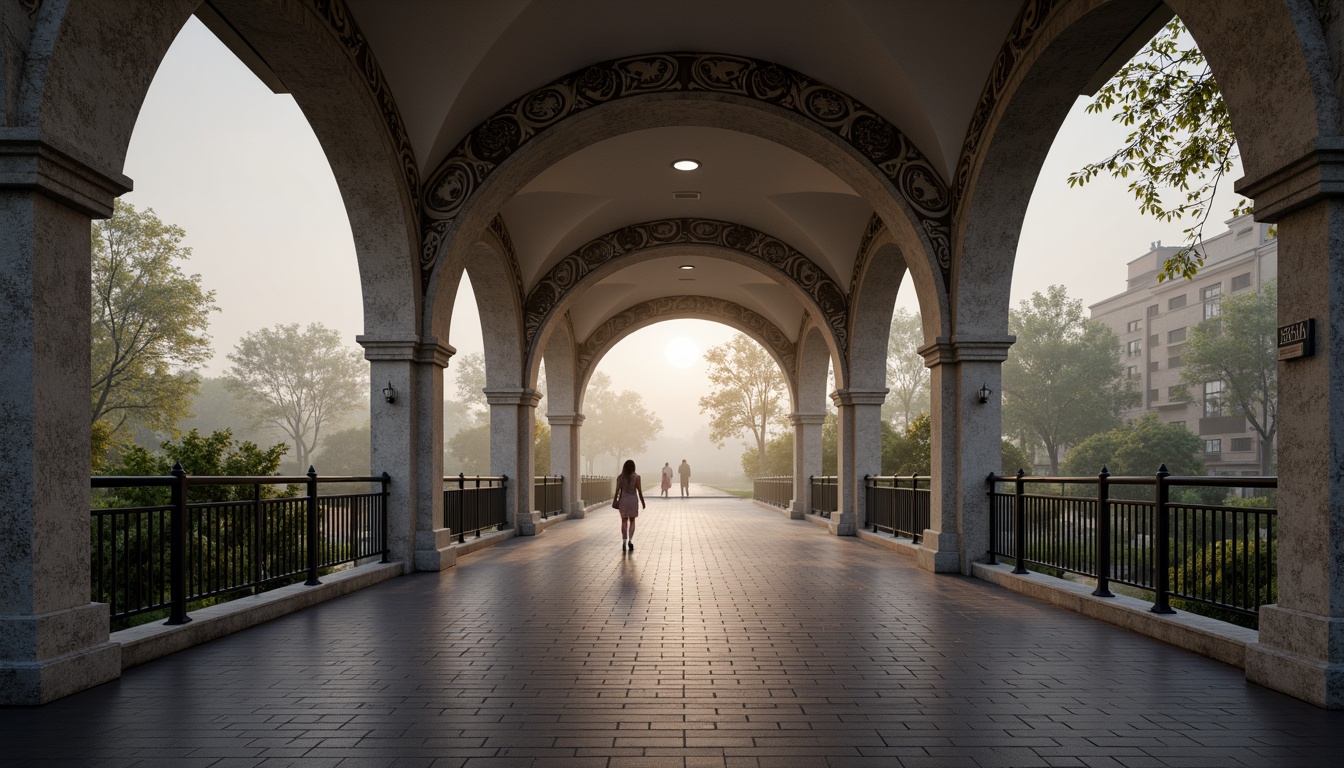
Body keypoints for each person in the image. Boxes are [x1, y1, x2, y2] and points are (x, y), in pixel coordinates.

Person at [613, 459, 645, 550]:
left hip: (623, 499)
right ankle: (630, 540)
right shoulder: (637, 477)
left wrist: (615, 500)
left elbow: (617, 490)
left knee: (624, 520)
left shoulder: (620, 477)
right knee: (632, 521)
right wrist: (643, 502)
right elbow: (639, 490)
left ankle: (624, 541)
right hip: (633, 499)